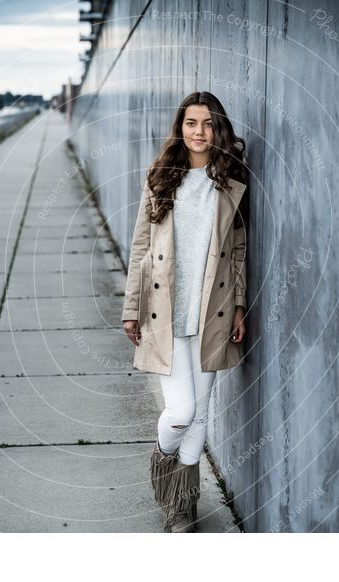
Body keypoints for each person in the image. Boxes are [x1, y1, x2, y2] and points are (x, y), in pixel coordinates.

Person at [121, 91, 249, 532]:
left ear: (219, 129)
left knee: (202, 414)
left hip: (210, 314)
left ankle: (182, 507)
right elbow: (141, 246)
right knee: (180, 413)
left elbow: (238, 252)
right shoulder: (161, 178)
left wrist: (237, 307)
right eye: (191, 123)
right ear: (180, 128)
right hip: (166, 315)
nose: (199, 132)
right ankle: (162, 461)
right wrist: (131, 308)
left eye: (208, 124)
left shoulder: (230, 182)